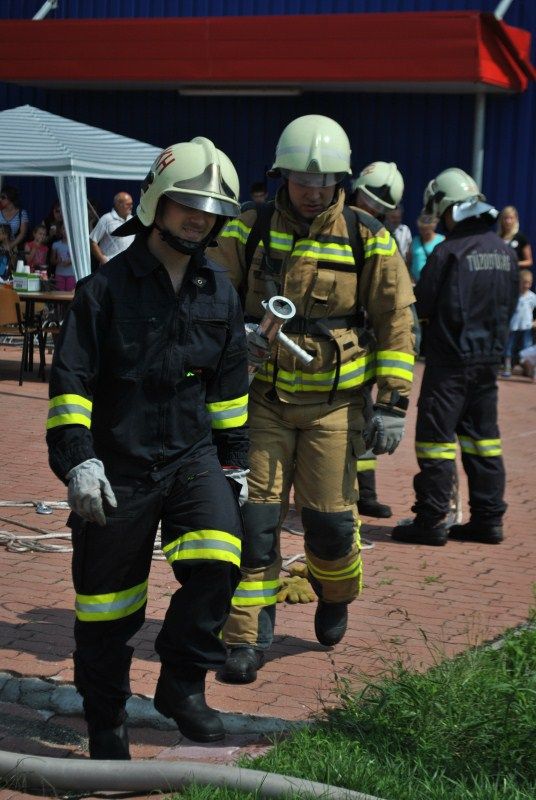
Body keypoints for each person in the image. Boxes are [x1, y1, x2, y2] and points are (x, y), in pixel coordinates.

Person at [45, 137, 249, 759]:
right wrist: (79, 461)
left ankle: (181, 684)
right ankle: (106, 722)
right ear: (157, 201)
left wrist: (234, 466)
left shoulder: (219, 291)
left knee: (219, 558)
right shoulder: (102, 291)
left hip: (191, 458)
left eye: (212, 209)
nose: (199, 218)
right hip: (117, 466)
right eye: (188, 203)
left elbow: (229, 392)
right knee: (106, 610)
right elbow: (71, 387)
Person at [212, 116, 415, 684]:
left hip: (335, 407)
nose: (313, 191)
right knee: (255, 521)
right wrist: (236, 336)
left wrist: (393, 403)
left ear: (340, 181)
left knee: (329, 525)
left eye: (325, 181)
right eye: (303, 180)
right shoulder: (247, 228)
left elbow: (396, 319)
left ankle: (335, 593)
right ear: (283, 175)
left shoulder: (366, 236)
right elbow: (211, 296)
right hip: (262, 401)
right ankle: (246, 636)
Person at [392, 168, 518, 548]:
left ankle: (431, 520)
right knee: (484, 441)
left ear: (447, 208)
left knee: (435, 442)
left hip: (449, 365)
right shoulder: (505, 252)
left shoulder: (448, 252)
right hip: (488, 364)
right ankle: (488, 520)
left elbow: (422, 304)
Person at [351, 160, 409, 518]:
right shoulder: (335, 226)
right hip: (339, 346)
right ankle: (358, 493)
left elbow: (395, 308)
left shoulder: (382, 240)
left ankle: (365, 493)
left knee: (365, 418)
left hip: (365, 346)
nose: (369, 211)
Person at [502, 270, 536, 378]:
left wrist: (534, 322)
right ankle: (507, 367)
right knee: (509, 347)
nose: (526, 285)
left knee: (527, 349)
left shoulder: (532, 296)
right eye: (524, 283)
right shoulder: (513, 295)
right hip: (513, 326)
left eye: (529, 283)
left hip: (526, 327)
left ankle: (529, 370)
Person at [89, 191, 135, 266]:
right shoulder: (107, 219)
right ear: (118, 204)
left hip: (128, 266)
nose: (131, 206)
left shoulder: (132, 219)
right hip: (110, 266)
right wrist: (102, 259)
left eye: (131, 204)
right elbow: (92, 241)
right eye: (128, 204)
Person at [409, 213, 445, 284]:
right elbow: (409, 261)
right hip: (415, 282)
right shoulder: (415, 241)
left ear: (433, 228)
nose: (424, 232)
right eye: (422, 229)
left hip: (433, 283)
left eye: (427, 230)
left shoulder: (441, 240)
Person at [498, 205, 533, 271]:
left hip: (516, 274)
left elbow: (529, 261)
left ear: (516, 219)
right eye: (506, 218)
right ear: (501, 220)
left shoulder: (520, 237)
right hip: (501, 274)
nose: (508, 221)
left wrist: (514, 264)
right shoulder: (497, 238)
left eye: (511, 218)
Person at [0, 185, 29, 255]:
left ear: (11, 198)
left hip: (14, 248)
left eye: (3, 197)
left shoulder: (22, 213)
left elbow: (23, 233)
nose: (0, 199)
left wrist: (11, 245)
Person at [385, 203, 412, 268]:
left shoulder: (405, 230)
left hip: (402, 265)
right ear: (387, 216)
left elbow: (409, 249)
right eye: (393, 217)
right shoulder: (382, 229)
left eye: (398, 217)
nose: (396, 220)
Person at [50, 223, 75, 291]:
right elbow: (52, 260)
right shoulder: (56, 244)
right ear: (61, 230)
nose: (66, 230)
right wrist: (58, 261)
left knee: (70, 294)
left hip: (72, 274)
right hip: (59, 274)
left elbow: (79, 259)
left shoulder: (75, 245)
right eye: (64, 228)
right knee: (59, 294)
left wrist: (70, 261)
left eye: (68, 228)